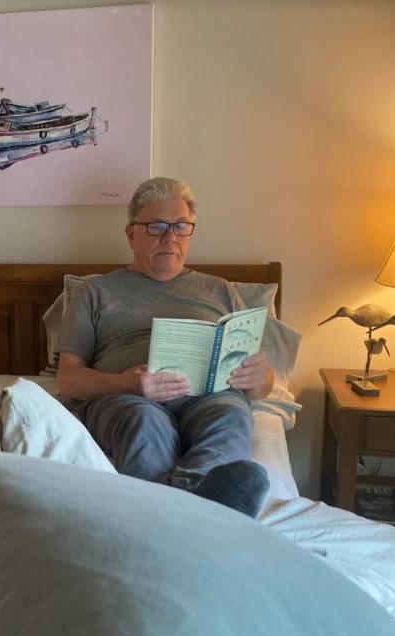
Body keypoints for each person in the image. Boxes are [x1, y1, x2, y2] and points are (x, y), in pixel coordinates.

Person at [55, 177, 273, 517]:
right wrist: (125, 383)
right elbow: (67, 379)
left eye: (181, 226)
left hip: (211, 398)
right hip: (129, 398)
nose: (170, 238)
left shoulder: (221, 290)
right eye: (157, 226)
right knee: (143, 423)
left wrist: (258, 377)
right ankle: (207, 516)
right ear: (131, 234)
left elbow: (264, 387)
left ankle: (172, 516)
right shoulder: (93, 291)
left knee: (233, 418)